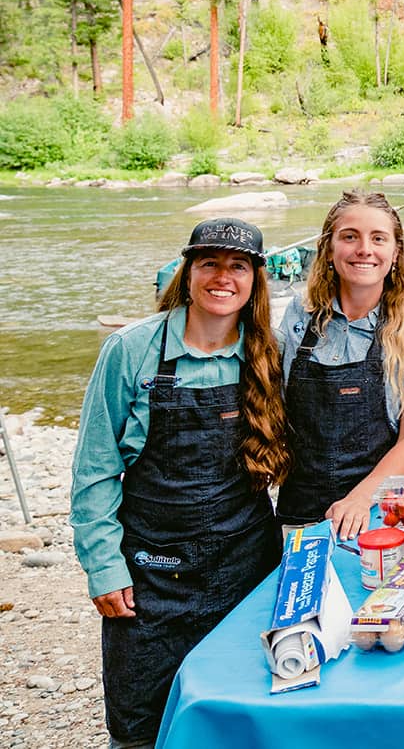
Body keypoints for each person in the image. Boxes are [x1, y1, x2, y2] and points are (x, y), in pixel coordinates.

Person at [71, 218, 290, 749]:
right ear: (187, 271)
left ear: (255, 278)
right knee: (141, 721)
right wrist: (103, 566)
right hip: (152, 572)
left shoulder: (268, 353)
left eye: (237, 265)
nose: (222, 277)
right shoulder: (131, 349)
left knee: (243, 711)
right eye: (208, 263)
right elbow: (95, 469)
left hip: (247, 564)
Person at [277, 189, 404, 539]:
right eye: (350, 237)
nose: (364, 250)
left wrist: (359, 500)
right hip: (296, 510)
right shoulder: (298, 315)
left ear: (395, 251)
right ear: (329, 248)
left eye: (378, 238)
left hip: (379, 514)